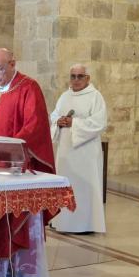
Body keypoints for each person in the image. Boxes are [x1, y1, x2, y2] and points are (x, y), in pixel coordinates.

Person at [0, 48, 55, 277]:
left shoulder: (29, 87)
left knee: (13, 217)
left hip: (16, 167)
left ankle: (16, 270)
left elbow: (35, 125)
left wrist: (10, 150)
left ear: (12, 63)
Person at [50, 64, 107, 234]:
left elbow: (100, 123)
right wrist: (57, 122)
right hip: (66, 152)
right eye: (73, 76)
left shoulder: (95, 97)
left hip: (86, 152)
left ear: (87, 78)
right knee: (66, 186)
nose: (76, 80)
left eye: (80, 76)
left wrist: (75, 123)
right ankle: (63, 222)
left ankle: (86, 224)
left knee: (85, 187)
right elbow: (53, 116)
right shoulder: (64, 96)